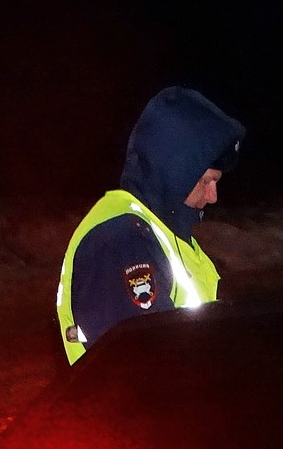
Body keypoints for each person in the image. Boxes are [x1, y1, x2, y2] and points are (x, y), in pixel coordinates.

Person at [57, 87, 245, 364]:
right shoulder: (122, 239)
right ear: (174, 171)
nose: (213, 196)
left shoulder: (164, 234)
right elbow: (144, 368)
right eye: (206, 181)